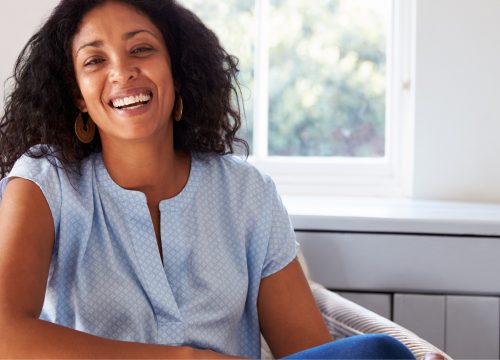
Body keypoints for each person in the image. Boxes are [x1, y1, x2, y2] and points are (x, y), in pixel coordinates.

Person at [0, 0, 416, 358]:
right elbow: (5, 335)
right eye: (95, 60)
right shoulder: (45, 183)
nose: (123, 72)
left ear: (177, 72)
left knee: (381, 354)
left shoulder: (246, 193)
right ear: (77, 95)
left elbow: (309, 354)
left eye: (141, 49)